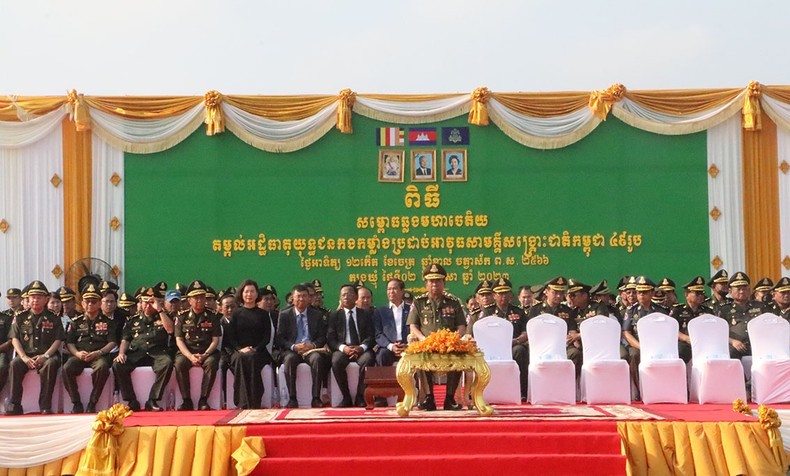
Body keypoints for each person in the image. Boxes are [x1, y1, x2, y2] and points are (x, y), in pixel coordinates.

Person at [406, 263, 466, 411]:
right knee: (421, 356)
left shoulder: (454, 302)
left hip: (449, 344)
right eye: (431, 281)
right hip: (426, 343)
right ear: (426, 284)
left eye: (438, 281)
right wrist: (422, 339)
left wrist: (454, 339)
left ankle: (450, 398)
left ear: (444, 283)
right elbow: (413, 325)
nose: (435, 284)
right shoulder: (419, 302)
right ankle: (428, 397)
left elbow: (461, 326)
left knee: (459, 355)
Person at [6, 281, 66, 415]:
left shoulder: (54, 317)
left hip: (47, 355)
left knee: (50, 365)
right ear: (28, 299)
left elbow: (58, 339)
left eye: (39, 297)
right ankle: (14, 404)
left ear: (45, 299)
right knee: (15, 364)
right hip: (26, 355)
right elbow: (14, 338)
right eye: (32, 297)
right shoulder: (20, 317)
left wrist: (45, 356)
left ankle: (45, 406)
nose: (35, 300)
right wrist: (23, 357)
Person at [112, 286, 175, 412]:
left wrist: (160, 310)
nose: (147, 305)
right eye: (145, 302)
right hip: (137, 353)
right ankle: (131, 400)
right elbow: (125, 339)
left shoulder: (163, 316)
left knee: (167, 363)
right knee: (118, 364)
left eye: (151, 302)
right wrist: (121, 353)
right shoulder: (133, 320)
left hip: (157, 353)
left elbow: (170, 329)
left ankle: (153, 399)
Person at [470, 277, 529, 402]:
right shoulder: (485, 312)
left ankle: (522, 391)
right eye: (500, 293)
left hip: (512, 346)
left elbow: (526, 332)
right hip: (491, 349)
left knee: (520, 350)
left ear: (511, 295)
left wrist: (517, 341)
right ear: (494, 295)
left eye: (506, 293)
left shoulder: (519, 311)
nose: (503, 296)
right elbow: (475, 334)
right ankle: (480, 390)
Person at [62, 283, 119, 413]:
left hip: (99, 355)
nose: (90, 305)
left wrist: (99, 352)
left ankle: (93, 402)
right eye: (87, 302)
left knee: (102, 367)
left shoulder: (108, 322)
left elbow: (112, 342)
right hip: (80, 355)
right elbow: (69, 343)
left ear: (99, 303)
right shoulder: (76, 322)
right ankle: (76, 402)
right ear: (82, 304)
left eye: (93, 302)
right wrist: (77, 354)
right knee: (66, 368)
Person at [275, 283, 330, 408]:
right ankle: (292, 398)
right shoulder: (284, 314)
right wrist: (294, 346)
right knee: (289, 359)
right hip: (293, 350)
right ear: (292, 299)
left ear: (309, 298)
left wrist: (312, 345)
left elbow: (322, 337)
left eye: (304, 296)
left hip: (311, 350)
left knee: (317, 359)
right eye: (298, 296)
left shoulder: (317, 314)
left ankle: (316, 397)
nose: (301, 299)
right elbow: (279, 338)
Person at [223, 279, 273, 409]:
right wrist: (240, 349)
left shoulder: (263, 314)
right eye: (246, 291)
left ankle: (254, 401)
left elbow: (266, 337)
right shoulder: (236, 314)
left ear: (257, 294)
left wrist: (255, 349)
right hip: (239, 351)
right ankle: (242, 401)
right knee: (240, 358)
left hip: (259, 352)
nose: (249, 295)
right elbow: (231, 338)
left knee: (252, 358)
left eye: (252, 291)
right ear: (242, 294)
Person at [173, 280, 222, 410]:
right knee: (179, 363)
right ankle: (186, 400)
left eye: (202, 297)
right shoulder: (181, 316)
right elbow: (179, 340)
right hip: (188, 351)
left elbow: (215, 340)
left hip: (207, 351)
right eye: (196, 298)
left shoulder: (213, 316)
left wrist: (205, 355)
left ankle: (203, 400)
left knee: (212, 363)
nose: (199, 300)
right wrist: (190, 357)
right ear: (189, 300)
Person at [327, 284, 375, 407]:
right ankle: (346, 397)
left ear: (355, 297)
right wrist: (344, 348)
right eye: (343, 295)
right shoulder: (334, 315)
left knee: (369, 358)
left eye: (349, 294)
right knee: (336, 361)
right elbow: (331, 339)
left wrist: (361, 347)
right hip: (343, 350)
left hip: (361, 349)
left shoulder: (365, 314)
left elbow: (371, 337)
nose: (346, 297)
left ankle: (360, 396)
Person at [621, 277, 669, 398]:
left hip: (658, 344)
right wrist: (641, 346)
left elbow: (666, 331)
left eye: (645, 292)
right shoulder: (631, 310)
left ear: (652, 293)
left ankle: (662, 388)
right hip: (637, 344)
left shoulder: (660, 310)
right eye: (639, 292)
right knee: (634, 355)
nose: (641, 295)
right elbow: (626, 332)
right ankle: (640, 389)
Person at [526, 277, 582, 379]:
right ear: (546, 292)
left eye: (561, 293)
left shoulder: (567, 311)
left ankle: (568, 383)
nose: (558, 296)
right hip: (541, 348)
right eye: (555, 292)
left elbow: (572, 332)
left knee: (575, 353)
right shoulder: (535, 310)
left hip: (562, 347)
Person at [716, 272, 767, 360]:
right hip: (735, 346)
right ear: (730, 291)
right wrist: (732, 341)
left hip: (758, 345)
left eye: (744, 288)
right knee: (729, 354)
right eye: (738, 289)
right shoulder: (724, 310)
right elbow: (718, 332)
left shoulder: (760, 306)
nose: (742, 291)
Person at [669, 276, 713, 363]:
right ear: (686, 294)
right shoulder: (678, 310)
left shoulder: (708, 311)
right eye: (697, 293)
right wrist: (686, 338)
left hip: (704, 343)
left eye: (702, 293)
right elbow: (671, 329)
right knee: (680, 351)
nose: (701, 296)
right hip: (685, 343)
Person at [373, 279, 411, 369]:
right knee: (381, 355)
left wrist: (408, 345)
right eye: (389, 289)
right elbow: (378, 334)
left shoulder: (411, 309)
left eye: (394, 289)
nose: (391, 292)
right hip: (389, 347)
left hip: (407, 346)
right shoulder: (380, 311)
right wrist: (391, 346)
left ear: (402, 291)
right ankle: (383, 383)